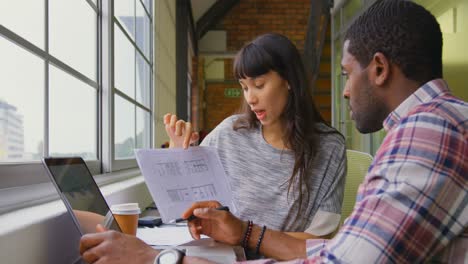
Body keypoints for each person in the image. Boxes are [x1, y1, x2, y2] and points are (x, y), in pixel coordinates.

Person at [79, 0, 467, 263]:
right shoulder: (430, 127)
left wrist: (161, 259)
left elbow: (336, 254)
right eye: (244, 87)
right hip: (220, 250)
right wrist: (183, 161)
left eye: (348, 75)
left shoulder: (426, 135)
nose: (346, 90)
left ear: (379, 69)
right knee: (88, 225)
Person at [164, 32, 346, 242]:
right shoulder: (228, 133)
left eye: (259, 85)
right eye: (244, 87)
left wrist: (245, 237)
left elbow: (320, 238)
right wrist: (177, 154)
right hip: (224, 256)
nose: (250, 98)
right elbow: (187, 200)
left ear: (289, 81)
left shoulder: (329, 148)